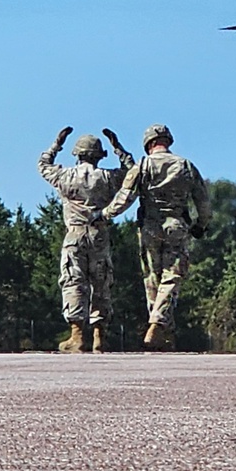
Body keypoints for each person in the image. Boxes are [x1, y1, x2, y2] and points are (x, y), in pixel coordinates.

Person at [99, 124, 210, 351]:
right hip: (177, 226)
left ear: (149, 144)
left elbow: (124, 198)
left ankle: (161, 331)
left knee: (152, 279)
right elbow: (203, 202)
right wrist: (201, 225)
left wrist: (104, 215)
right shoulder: (185, 165)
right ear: (167, 141)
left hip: (150, 227)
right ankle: (158, 326)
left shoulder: (143, 165)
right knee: (172, 277)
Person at [38, 126, 134, 353]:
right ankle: (100, 336)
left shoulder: (66, 176)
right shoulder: (108, 178)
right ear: (99, 156)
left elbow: (43, 166)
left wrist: (56, 143)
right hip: (99, 232)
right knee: (101, 283)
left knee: (73, 282)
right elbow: (132, 172)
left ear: (77, 154)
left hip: (75, 234)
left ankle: (77, 336)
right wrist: (118, 147)